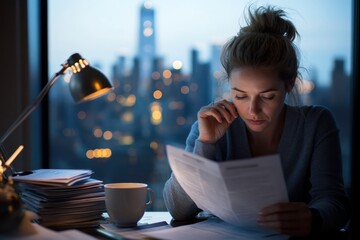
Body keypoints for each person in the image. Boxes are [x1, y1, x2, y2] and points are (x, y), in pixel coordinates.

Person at [163, 5, 351, 238]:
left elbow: (334, 202)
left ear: (290, 83)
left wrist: (313, 218)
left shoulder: (315, 123)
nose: (253, 110)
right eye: (240, 95)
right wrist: (206, 144)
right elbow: (178, 210)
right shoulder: (211, 124)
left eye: (268, 96)